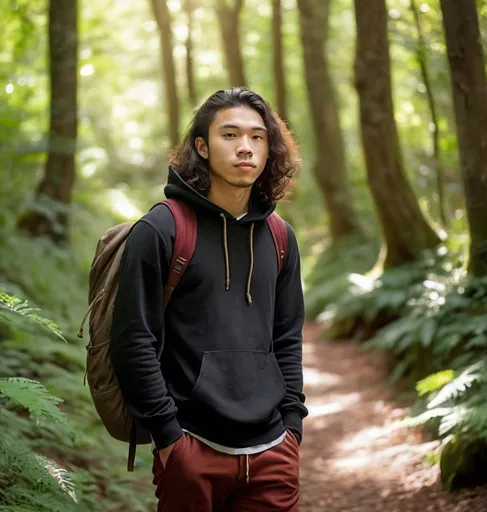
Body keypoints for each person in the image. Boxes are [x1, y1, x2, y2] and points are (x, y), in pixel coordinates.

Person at [110, 87, 308, 511]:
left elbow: (288, 339)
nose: (245, 148)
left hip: (273, 450)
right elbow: (133, 340)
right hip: (192, 448)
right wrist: (168, 437)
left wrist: (293, 427)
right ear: (202, 146)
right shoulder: (162, 230)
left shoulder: (280, 237)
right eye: (230, 135)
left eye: (258, 137)